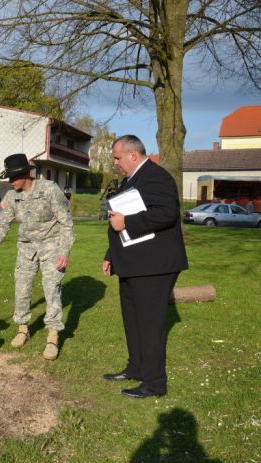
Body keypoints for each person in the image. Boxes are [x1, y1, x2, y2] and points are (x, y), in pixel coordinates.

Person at [102, 135, 188, 399]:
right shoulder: (131, 179)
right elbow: (119, 218)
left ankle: (154, 383)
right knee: (133, 320)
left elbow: (166, 213)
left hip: (154, 266)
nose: (115, 163)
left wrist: (128, 223)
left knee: (150, 325)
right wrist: (110, 255)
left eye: (117, 158)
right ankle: (136, 368)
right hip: (132, 263)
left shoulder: (156, 176)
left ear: (132, 155)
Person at [0, 153, 74, 360]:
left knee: (51, 289)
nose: (11, 182)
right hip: (26, 249)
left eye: (13, 178)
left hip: (51, 246)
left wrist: (64, 251)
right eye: (9, 178)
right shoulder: (12, 197)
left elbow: (66, 223)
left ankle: (53, 337)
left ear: (26, 174)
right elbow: (0, 227)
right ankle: (22, 329)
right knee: (22, 289)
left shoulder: (49, 190)